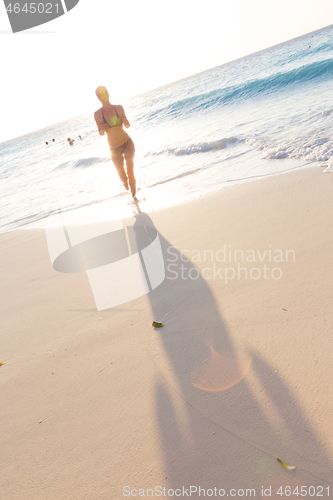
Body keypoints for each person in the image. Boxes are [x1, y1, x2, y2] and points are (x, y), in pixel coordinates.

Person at [94, 86, 136, 198]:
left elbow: (127, 123)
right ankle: (126, 182)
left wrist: (126, 123)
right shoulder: (97, 114)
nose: (102, 96)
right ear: (97, 98)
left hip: (127, 142)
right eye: (99, 94)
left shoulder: (119, 108)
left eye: (104, 93)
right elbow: (101, 133)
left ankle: (134, 197)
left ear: (108, 94)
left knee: (130, 168)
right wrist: (102, 129)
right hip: (113, 148)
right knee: (122, 174)